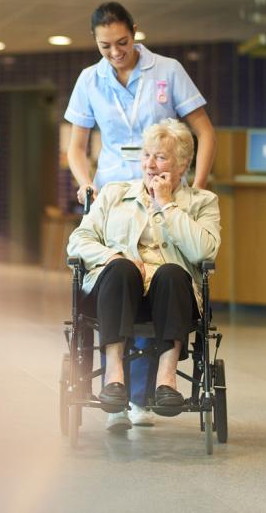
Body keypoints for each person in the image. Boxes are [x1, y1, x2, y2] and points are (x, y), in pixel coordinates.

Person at [65, 1, 217, 431]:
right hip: (115, 193)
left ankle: (145, 395)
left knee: (165, 273)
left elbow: (203, 130)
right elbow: (77, 147)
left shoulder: (166, 71)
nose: (114, 52)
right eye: (104, 46)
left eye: (123, 43)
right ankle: (123, 391)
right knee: (121, 273)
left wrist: (196, 188)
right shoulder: (89, 80)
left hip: (166, 187)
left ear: (136, 32)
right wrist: (85, 182)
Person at [67, 119, 220, 416]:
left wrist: (167, 206)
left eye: (161, 157)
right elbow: (78, 241)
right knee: (122, 268)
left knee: (173, 273)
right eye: (147, 155)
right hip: (119, 291)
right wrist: (110, 256)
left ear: (182, 164)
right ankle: (114, 378)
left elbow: (205, 250)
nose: (150, 164)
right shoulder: (113, 193)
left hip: (171, 297)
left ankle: (167, 379)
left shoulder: (203, 202)